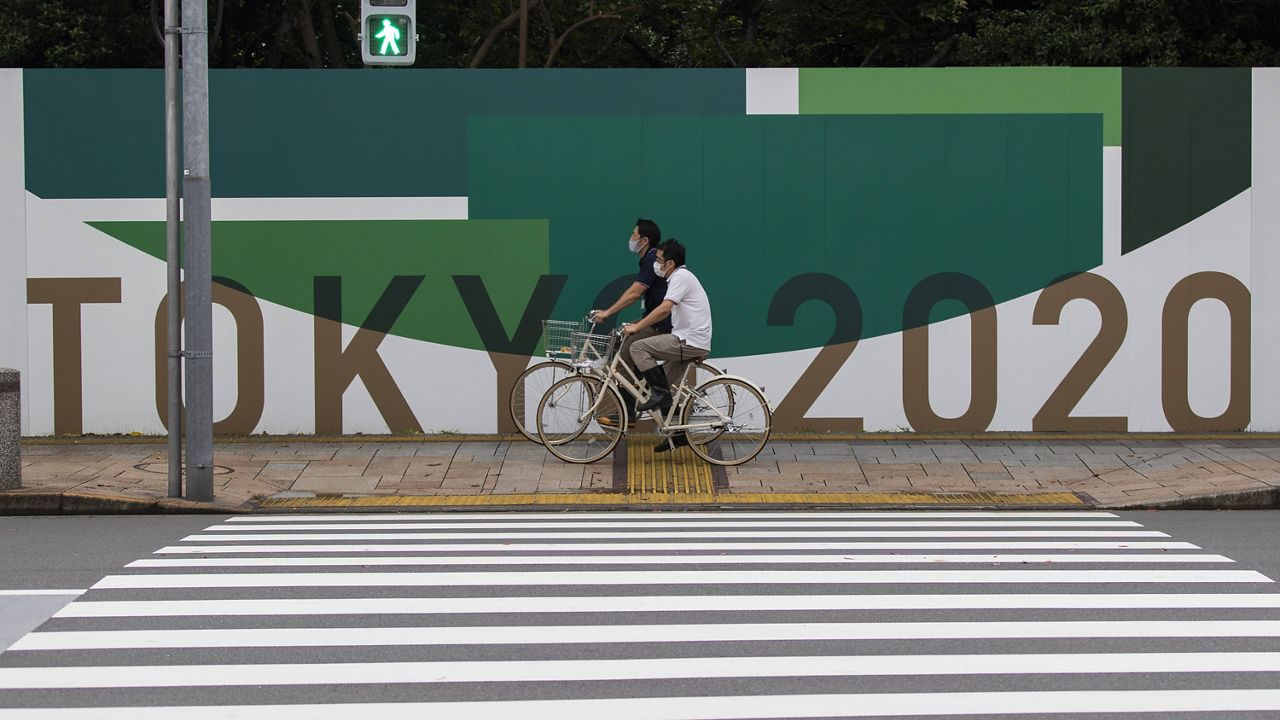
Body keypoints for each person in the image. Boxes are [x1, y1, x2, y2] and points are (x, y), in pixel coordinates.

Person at [623, 239, 712, 452]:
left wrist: (637, 328)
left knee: (638, 348)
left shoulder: (679, 277)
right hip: (690, 339)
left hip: (687, 340)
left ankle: (660, 394)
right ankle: (679, 434)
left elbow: (664, 310)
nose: (656, 264)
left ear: (670, 264)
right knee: (662, 381)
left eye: (659, 260)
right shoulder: (681, 277)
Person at [590, 218, 670, 423]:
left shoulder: (653, 260)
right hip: (652, 320)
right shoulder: (649, 259)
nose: (630, 238)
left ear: (644, 240)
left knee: (625, 353)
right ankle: (645, 389)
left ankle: (628, 413)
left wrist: (607, 313)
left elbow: (634, 293)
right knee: (615, 338)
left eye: (633, 234)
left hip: (662, 324)